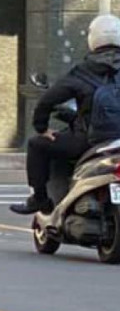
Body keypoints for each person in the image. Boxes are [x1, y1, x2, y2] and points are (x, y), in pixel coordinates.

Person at [11, 14, 120, 215]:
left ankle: (40, 199)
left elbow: (47, 100)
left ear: (92, 39)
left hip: (90, 142)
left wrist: (42, 128)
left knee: (37, 144)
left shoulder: (83, 72)